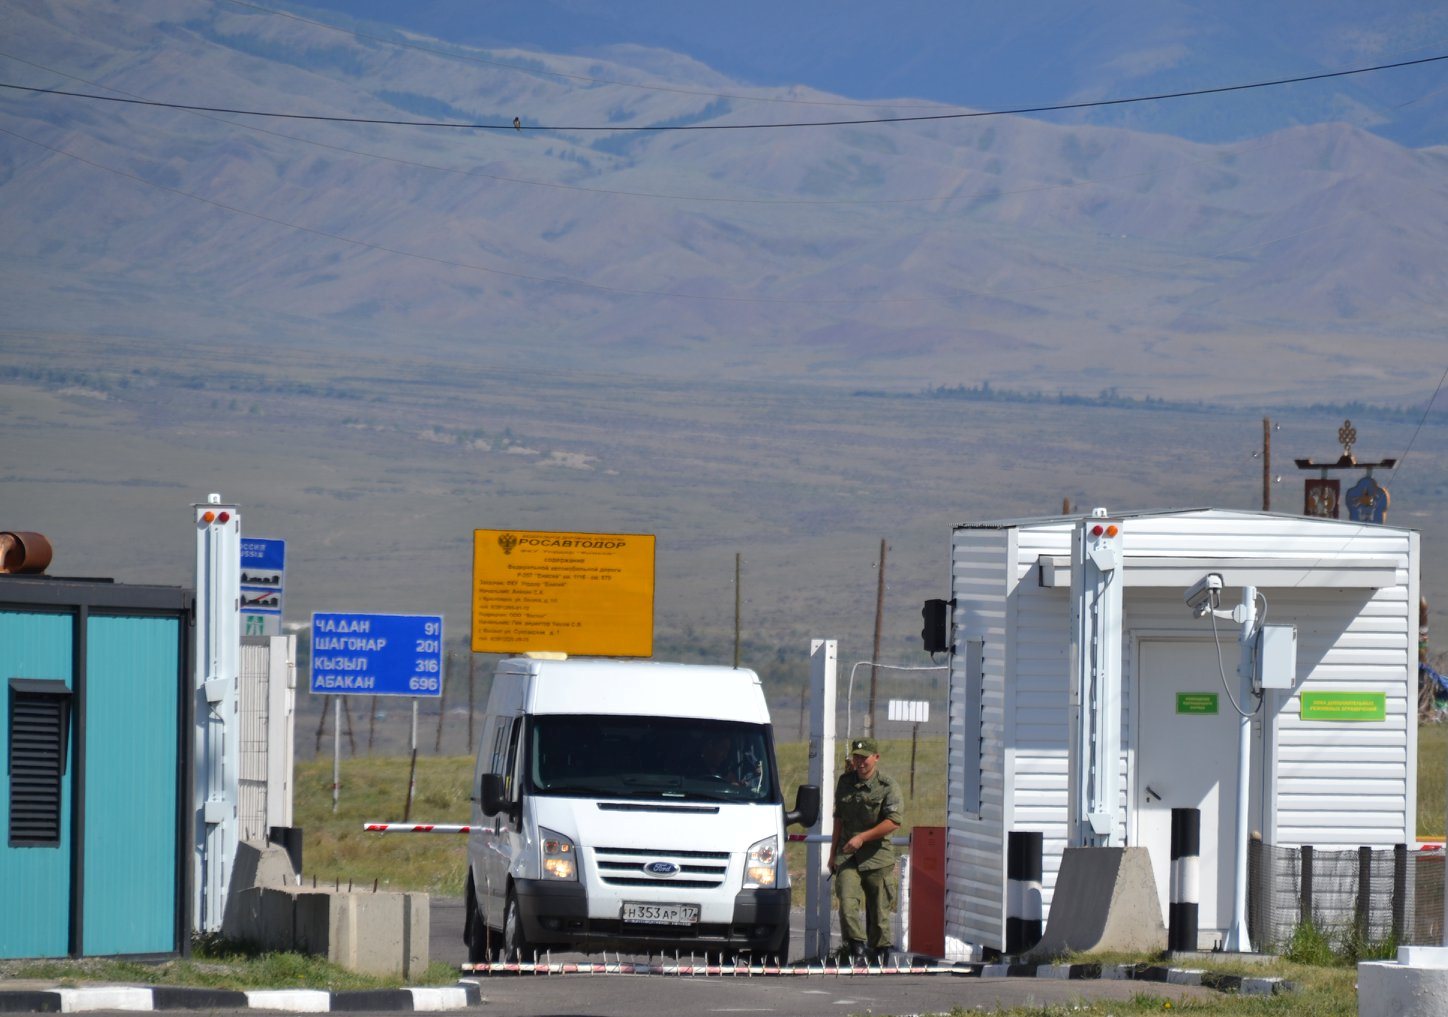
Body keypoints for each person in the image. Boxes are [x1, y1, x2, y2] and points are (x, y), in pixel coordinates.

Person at [829, 736, 903, 965]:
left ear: (876, 758)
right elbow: (839, 818)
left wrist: (863, 837)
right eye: (856, 757)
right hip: (848, 854)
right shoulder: (845, 782)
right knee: (847, 900)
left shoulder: (887, 786)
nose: (860, 762)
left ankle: (881, 952)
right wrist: (832, 854)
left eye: (865, 758)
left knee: (879, 910)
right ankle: (857, 949)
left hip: (877, 855)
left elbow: (893, 821)